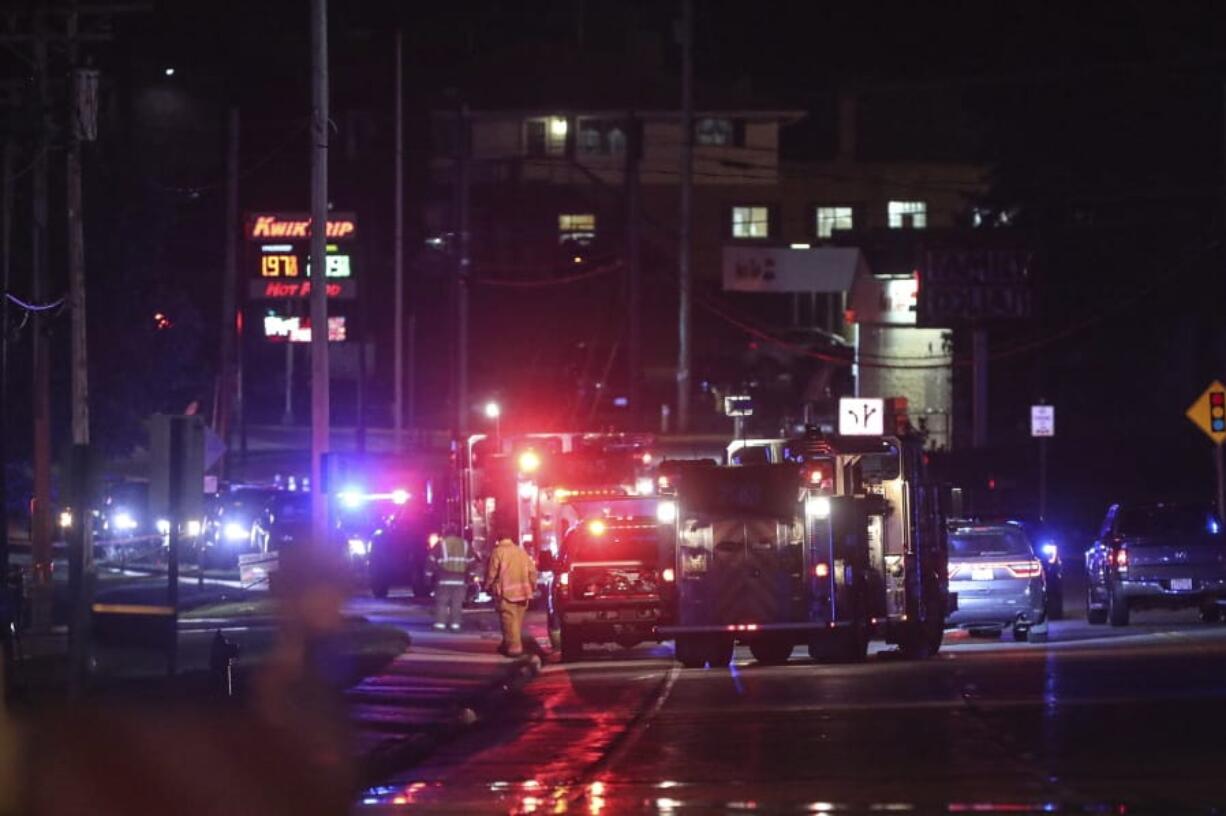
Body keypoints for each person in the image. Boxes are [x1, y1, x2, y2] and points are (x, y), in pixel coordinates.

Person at [484, 535, 537, 657]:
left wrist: (487, 585)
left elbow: (492, 571)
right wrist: (533, 586)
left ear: (499, 539)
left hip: (507, 594)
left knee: (509, 622)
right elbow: (532, 570)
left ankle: (514, 649)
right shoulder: (521, 551)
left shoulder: (498, 551)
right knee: (516, 622)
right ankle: (506, 644)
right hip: (524, 593)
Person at [429, 524, 472, 631]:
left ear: (445, 532)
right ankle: (455, 625)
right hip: (460, 580)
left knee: (442, 603)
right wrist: (470, 577)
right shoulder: (465, 544)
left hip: (443, 579)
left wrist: (428, 577)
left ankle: (440, 625)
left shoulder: (440, 544)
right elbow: (472, 563)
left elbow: (430, 561)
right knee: (457, 603)